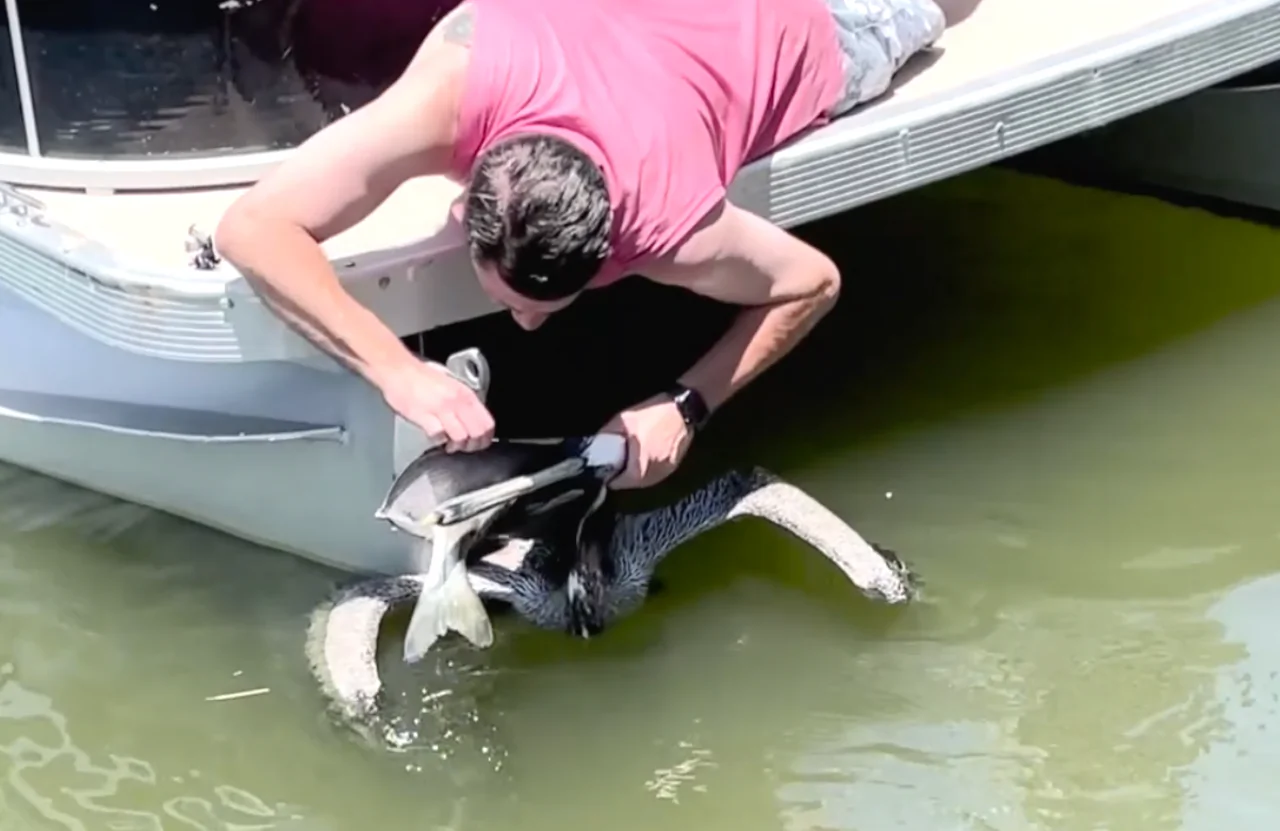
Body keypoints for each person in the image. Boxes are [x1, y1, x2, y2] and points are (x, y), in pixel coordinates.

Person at [214, 0, 952, 490]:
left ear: (621, 255)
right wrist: (397, 371)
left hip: (820, 23)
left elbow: (813, 282)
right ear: (470, 199)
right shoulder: (456, 79)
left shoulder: (673, 226)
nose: (524, 324)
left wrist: (687, 404)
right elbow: (251, 228)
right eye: (517, 301)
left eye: (551, 306)